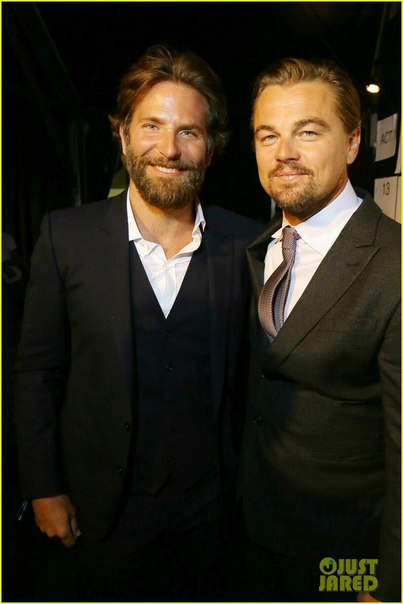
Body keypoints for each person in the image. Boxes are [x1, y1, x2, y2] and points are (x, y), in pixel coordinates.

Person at [15, 44, 261, 601]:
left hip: (212, 515)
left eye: (188, 132)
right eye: (152, 126)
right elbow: (36, 373)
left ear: (211, 148)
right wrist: (43, 488)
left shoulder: (248, 243)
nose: (169, 149)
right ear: (123, 135)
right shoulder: (65, 237)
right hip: (102, 513)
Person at [240, 58, 400, 602]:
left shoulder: (395, 263)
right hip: (249, 537)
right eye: (268, 135)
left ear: (353, 143)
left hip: (345, 556)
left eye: (307, 132)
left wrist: (387, 584)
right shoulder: (255, 249)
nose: (283, 152)